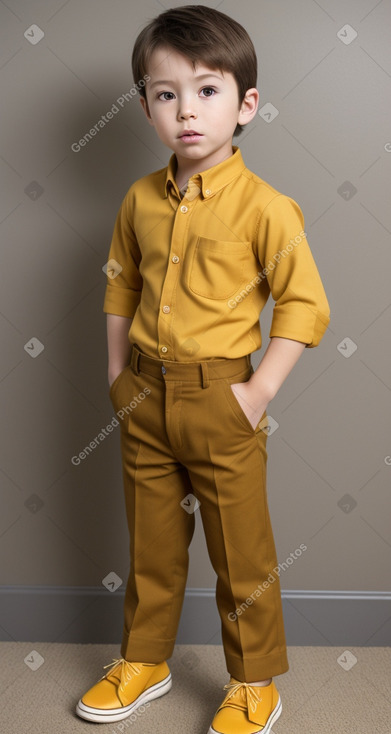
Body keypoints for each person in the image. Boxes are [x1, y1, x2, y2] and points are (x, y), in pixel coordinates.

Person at [75, 5, 330, 733]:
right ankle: (145, 659)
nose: (187, 110)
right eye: (165, 93)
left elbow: (304, 306)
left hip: (222, 400)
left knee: (241, 559)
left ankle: (255, 683)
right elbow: (121, 284)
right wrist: (117, 377)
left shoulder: (267, 208)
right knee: (150, 545)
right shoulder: (137, 201)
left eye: (208, 90)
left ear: (246, 103)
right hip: (142, 400)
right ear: (147, 107)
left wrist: (257, 393)